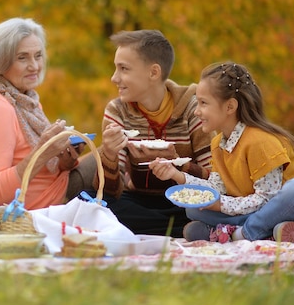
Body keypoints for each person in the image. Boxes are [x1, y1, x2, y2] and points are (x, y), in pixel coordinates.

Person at [150, 62, 294, 244]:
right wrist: (177, 175)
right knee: (194, 209)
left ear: (229, 107)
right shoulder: (218, 144)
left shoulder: (260, 141)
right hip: (264, 214)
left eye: (203, 103)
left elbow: (267, 199)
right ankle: (272, 232)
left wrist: (221, 205)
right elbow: (217, 189)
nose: (196, 111)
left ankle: (240, 234)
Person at [91, 29, 213, 238]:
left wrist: (177, 164)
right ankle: (187, 231)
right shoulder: (117, 110)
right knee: (94, 202)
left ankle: (187, 227)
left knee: (204, 208)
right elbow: (110, 191)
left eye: (124, 69)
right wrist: (109, 154)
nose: (114, 78)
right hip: (137, 202)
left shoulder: (193, 109)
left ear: (153, 73)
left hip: (183, 201)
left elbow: (213, 180)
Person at [0, 17, 95, 212]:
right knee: (110, 154)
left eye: (38, 55)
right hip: (32, 210)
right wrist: (42, 153)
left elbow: (37, 167)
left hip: (52, 193)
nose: (34, 66)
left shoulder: (25, 99)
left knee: (114, 162)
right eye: (22, 57)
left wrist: (63, 161)